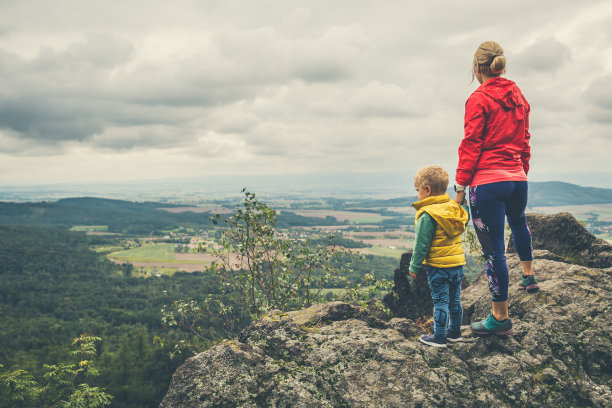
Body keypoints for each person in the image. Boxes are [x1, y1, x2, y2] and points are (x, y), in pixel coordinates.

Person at [454, 41, 540, 337]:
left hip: (488, 184)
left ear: (478, 68)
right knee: (519, 223)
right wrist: (521, 170)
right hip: (517, 178)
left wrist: (461, 185)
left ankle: (499, 317)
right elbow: (525, 139)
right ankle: (528, 276)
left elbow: (471, 143)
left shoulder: (478, 99)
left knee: (494, 254)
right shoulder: (519, 97)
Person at [408, 165, 469, 348]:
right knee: (455, 299)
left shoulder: (427, 215)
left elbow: (421, 245)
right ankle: (455, 333)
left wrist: (414, 266)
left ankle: (439, 337)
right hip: (457, 264)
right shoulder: (453, 208)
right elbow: (464, 215)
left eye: (418, 190)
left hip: (438, 266)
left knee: (440, 301)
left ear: (427, 190)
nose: (417, 194)